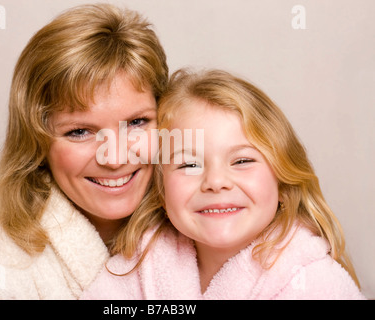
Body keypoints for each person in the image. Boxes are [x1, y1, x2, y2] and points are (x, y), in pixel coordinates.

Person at [0, 3, 168, 299]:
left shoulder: (204, 225)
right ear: (36, 140)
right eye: (79, 131)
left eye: (137, 122)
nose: (116, 157)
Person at [81, 69, 365, 299]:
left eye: (242, 161)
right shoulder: (142, 268)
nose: (215, 182)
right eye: (189, 165)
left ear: (283, 183)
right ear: (161, 191)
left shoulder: (314, 283)